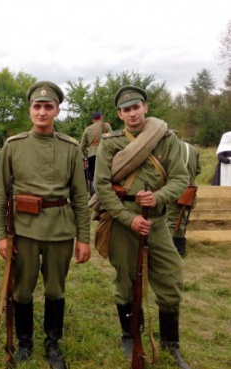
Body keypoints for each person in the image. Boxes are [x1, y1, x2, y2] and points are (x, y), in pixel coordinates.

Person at [0, 81, 91, 369]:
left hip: (60, 230)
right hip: (23, 230)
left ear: (57, 110)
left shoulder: (70, 148)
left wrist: (83, 238)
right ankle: (24, 343)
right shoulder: (13, 146)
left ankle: (52, 343)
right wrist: (0, 236)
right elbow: (1, 195)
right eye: (38, 106)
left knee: (55, 290)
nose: (42, 111)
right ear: (30, 109)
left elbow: (80, 198)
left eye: (49, 107)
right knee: (22, 291)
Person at [94, 85, 190, 368]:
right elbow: (101, 186)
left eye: (136, 107)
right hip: (123, 223)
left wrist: (158, 196)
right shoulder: (110, 143)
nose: (132, 113)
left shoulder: (166, 139)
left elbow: (180, 179)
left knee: (171, 280)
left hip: (157, 222)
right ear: (119, 114)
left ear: (145, 107)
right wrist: (128, 217)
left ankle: (171, 345)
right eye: (126, 109)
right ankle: (129, 337)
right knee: (126, 283)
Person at [167, 138, 201, 256]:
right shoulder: (194, 149)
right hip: (189, 189)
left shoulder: (170, 148)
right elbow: (198, 170)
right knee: (182, 218)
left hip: (173, 188)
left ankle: (177, 248)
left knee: (174, 219)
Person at [80, 112, 112, 196]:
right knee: (106, 174)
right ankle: (107, 194)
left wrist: (86, 155)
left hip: (91, 155)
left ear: (92, 119)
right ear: (101, 117)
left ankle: (93, 195)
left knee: (92, 176)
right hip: (104, 153)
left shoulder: (87, 129)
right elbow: (112, 139)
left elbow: (82, 146)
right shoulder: (106, 126)